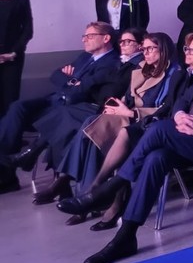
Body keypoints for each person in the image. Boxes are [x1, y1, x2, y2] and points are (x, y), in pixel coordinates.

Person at [58, 17, 193, 263]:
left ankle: (107, 189)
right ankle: (126, 235)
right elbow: (184, 97)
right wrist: (181, 114)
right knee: (156, 158)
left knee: (159, 130)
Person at [50, 32, 182, 227]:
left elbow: (167, 109)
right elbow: (127, 98)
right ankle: (92, 195)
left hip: (147, 123)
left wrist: (130, 112)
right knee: (93, 128)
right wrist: (116, 106)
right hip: (127, 118)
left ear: (163, 50)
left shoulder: (174, 73)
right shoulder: (141, 70)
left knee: (97, 130)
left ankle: (87, 191)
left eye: (150, 48)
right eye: (144, 48)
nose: (145, 52)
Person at [0, 22, 121, 193]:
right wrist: (72, 82)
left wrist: (71, 81)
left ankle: (13, 169)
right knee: (17, 107)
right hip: (56, 99)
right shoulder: (84, 57)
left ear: (106, 38)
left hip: (72, 106)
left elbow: (81, 91)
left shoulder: (112, 62)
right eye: (84, 36)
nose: (84, 40)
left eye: (90, 36)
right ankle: (6, 163)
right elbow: (56, 75)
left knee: (60, 117)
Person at [0, 0, 33, 117]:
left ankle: (10, 131)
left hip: (12, 56)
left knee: (10, 98)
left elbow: (27, 30)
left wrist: (14, 53)